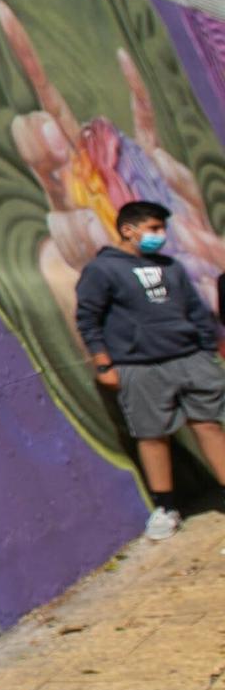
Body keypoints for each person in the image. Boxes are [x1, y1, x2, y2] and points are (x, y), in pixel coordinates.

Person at [76, 199, 225, 541]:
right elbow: (88, 319)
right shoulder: (102, 270)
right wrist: (104, 363)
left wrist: (205, 351)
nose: (160, 235)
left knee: (209, 425)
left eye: (162, 229)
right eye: (153, 228)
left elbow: (195, 310)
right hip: (139, 367)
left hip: (190, 359)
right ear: (128, 230)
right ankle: (165, 507)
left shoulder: (171, 267)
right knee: (152, 435)